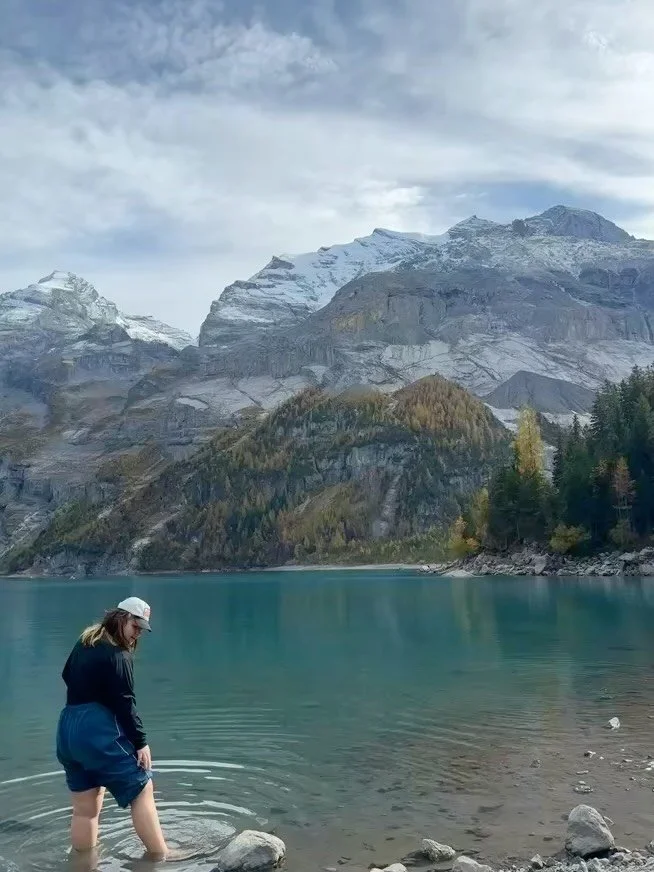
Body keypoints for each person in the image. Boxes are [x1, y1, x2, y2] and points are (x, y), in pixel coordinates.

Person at [56, 596, 168, 861]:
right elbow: (125, 704)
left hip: (67, 728)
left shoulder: (85, 642)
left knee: (86, 809)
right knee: (142, 788)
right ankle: (162, 858)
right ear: (121, 618)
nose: (137, 634)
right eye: (135, 627)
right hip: (95, 729)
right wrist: (141, 742)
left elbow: (66, 675)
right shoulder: (118, 655)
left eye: (142, 629)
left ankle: (84, 865)